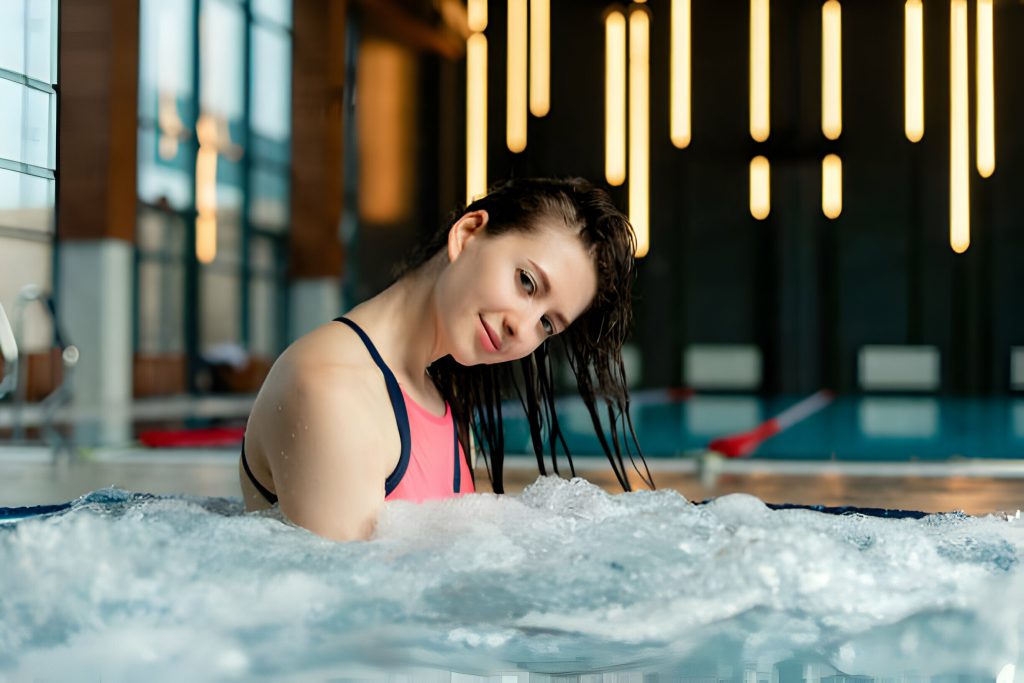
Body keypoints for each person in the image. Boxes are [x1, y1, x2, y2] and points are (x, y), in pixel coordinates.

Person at [239, 177, 652, 541]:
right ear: (469, 234)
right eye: (526, 282)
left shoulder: (444, 406)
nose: (522, 329)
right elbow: (349, 619)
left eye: (547, 324)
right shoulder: (330, 389)